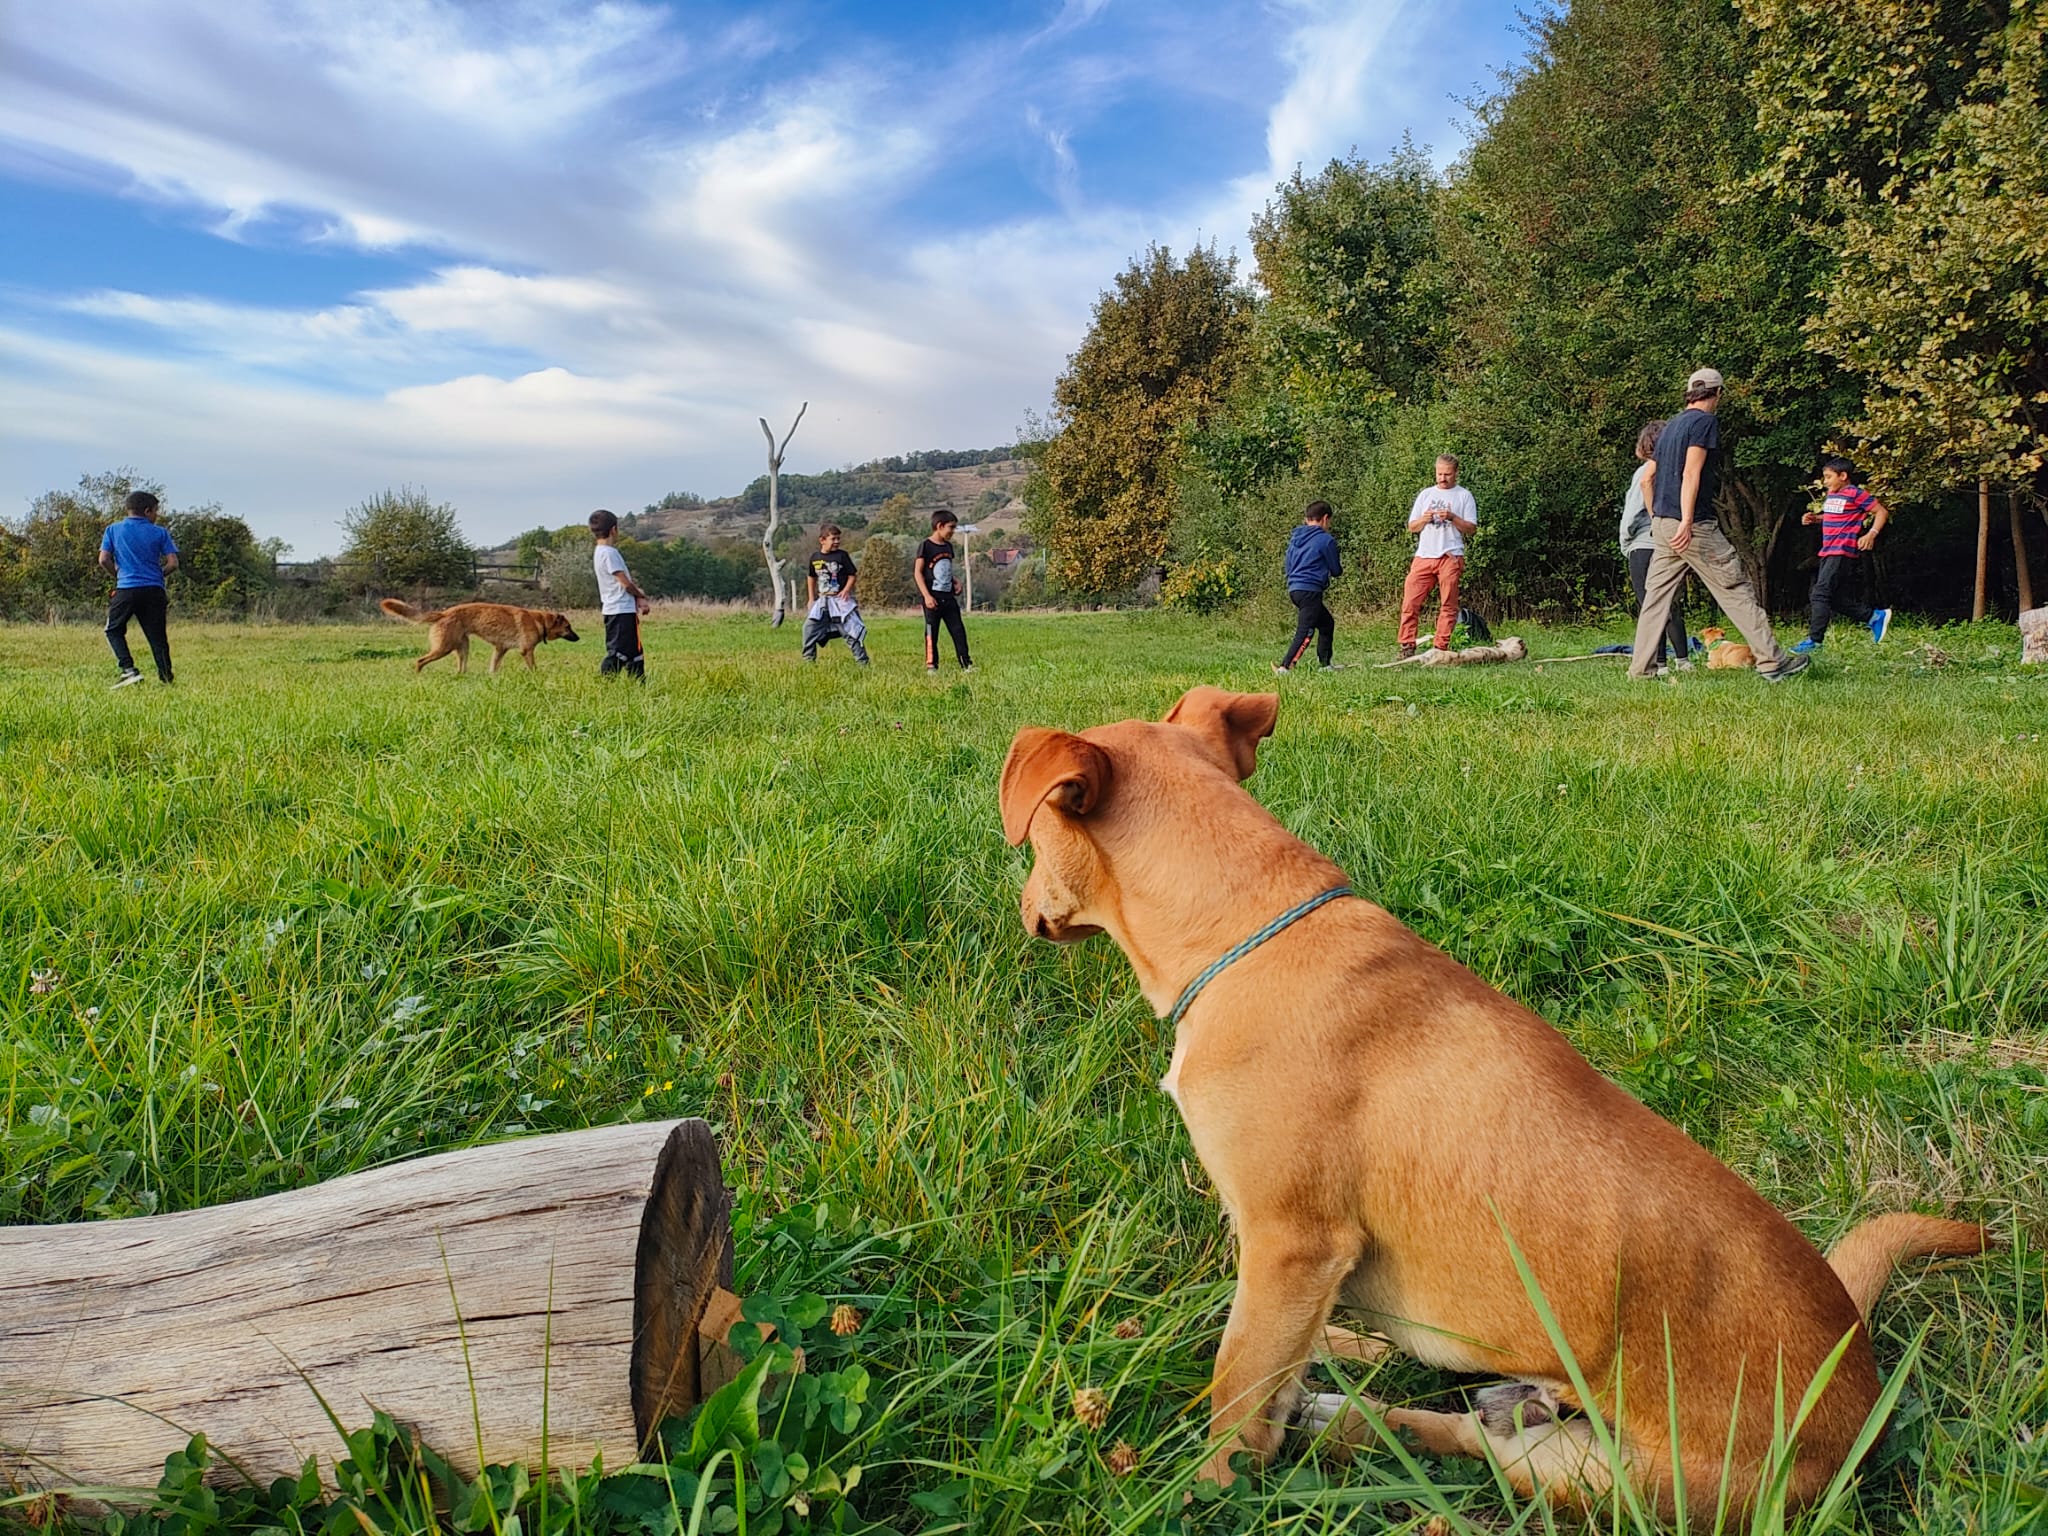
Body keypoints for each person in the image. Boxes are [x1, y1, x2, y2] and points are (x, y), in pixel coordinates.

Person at [1628, 368, 1808, 682]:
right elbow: (1691, 474)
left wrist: (1658, 518)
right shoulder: (1704, 423)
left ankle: (1641, 671)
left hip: (1663, 527)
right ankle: (1772, 662)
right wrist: (1686, 520)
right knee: (1735, 588)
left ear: (1689, 392)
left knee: (1655, 600)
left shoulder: (1669, 427)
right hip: (1693, 526)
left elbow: (1647, 479)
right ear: (1718, 393)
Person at [1793, 458, 1892, 654]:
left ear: (1843, 476)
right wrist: (1815, 518)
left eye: (1829, 477)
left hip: (1842, 551)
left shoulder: (1855, 493)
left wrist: (1871, 534)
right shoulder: (1832, 494)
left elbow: (1881, 512)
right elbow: (1833, 516)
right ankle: (1873, 617)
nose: (1826, 481)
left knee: (1820, 594)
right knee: (1834, 599)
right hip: (1828, 551)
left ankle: (1814, 641)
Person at [1620, 419, 1691, 670]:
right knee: (1671, 602)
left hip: (1643, 542)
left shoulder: (1645, 472)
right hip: (1671, 541)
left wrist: (1625, 541)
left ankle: (1659, 663)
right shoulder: (1679, 471)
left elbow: (1631, 513)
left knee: (1650, 605)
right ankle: (1683, 659)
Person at [1398, 455, 1477, 658]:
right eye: (1439, 473)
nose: (1442, 478)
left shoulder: (1464, 496)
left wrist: (1452, 517)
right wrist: (1424, 519)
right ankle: (1407, 646)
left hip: (1450, 555)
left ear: (1456, 473)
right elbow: (1412, 527)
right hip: (1424, 555)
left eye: (1447, 474)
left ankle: (1440, 648)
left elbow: (1471, 529)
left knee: (1448, 604)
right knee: (1410, 603)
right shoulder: (1426, 495)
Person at [99, 489, 179, 688]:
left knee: (114, 629)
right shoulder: (160, 532)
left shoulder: (113, 530)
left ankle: (129, 670)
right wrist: (157, 575)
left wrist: (118, 574)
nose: (157, 515)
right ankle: (166, 679)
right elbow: (173, 563)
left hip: (126, 588)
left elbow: (103, 559)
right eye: (156, 511)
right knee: (157, 636)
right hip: (154, 590)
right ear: (147, 510)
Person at [1275, 500, 1344, 673]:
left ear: (1307, 519)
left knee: (1327, 623)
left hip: (1294, 588)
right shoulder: (1325, 540)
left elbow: (1288, 565)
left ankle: (1326, 665)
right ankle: (1285, 667)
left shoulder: (1295, 539)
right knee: (1306, 630)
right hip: (1310, 590)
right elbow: (1336, 570)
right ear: (1325, 519)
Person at [589, 509, 650, 679]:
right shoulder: (609, 553)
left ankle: (638, 685)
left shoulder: (599, 552)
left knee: (635, 652)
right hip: (620, 610)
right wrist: (640, 595)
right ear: (614, 529)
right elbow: (624, 583)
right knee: (618, 653)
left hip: (617, 609)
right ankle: (605, 682)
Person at [916, 509, 973, 674]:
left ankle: (966, 663)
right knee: (931, 633)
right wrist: (926, 596)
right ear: (939, 526)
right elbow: (918, 572)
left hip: (948, 598)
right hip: (932, 599)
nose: (953, 531)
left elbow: (944, 570)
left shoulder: (948, 547)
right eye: (951, 527)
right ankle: (931, 665)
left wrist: (955, 581)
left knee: (958, 630)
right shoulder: (925, 546)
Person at [803, 524, 869, 665]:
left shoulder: (842, 556)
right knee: (809, 629)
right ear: (822, 540)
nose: (837, 542)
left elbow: (852, 575)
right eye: (833, 539)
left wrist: (846, 590)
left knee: (851, 631)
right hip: (822, 601)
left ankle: (863, 663)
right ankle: (808, 662)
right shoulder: (815, 557)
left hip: (840, 601)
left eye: (838, 538)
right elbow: (811, 577)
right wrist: (811, 598)